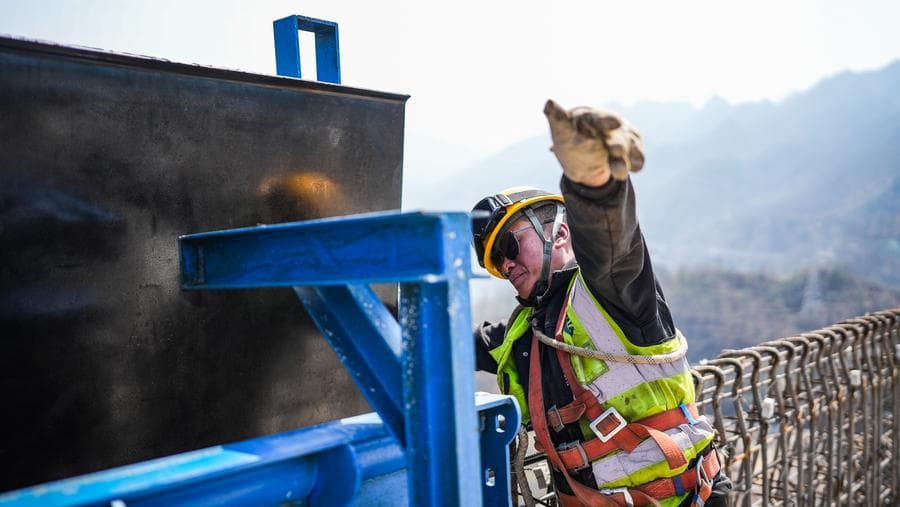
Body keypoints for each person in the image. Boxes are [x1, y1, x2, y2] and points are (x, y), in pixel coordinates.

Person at [471, 100, 731, 506]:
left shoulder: (613, 291)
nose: (506, 263)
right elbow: (446, 339)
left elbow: (611, 241)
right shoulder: (527, 332)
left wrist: (593, 183)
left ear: (559, 235)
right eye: (497, 263)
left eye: (509, 245)